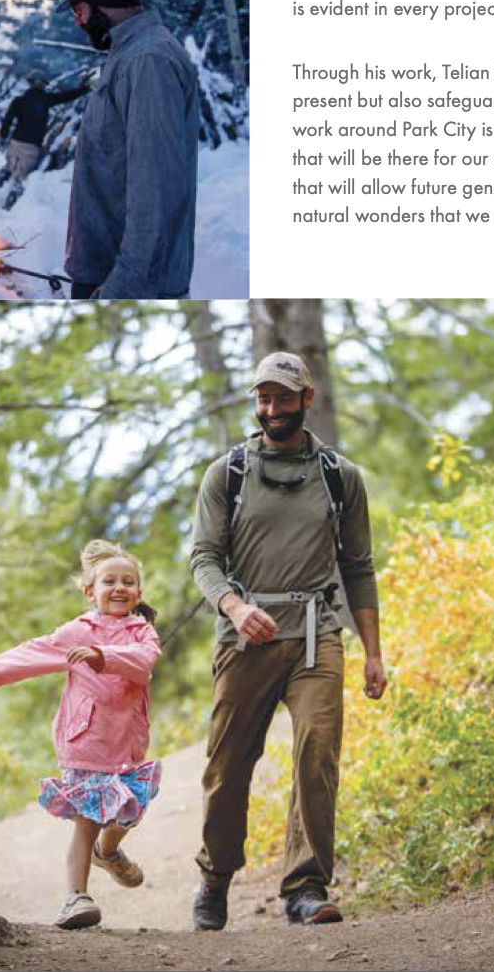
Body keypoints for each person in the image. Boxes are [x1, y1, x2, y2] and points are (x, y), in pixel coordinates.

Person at [186, 352, 391, 930]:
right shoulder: (226, 473)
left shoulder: (339, 476)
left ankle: (305, 885)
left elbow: (360, 567)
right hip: (243, 637)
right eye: (262, 397)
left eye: (282, 396)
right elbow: (203, 558)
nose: (271, 408)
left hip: (317, 635)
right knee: (228, 766)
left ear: (308, 397)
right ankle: (216, 876)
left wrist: (374, 652)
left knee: (316, 753)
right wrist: (233, 604)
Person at [0, 540, 163, 931]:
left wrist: (101, 656)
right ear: (91, 591)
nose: (119, 587)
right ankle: (76, 898)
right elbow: (36, 652)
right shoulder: (77, 630)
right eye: (110, 581)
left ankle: (107, 853)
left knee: (131, 811)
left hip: (127, 744)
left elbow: (144, 665)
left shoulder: (143, 632)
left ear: (139, 593)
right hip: (86, 740)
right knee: (87, 819)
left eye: (128, 581)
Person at [56, 0, 201, 299]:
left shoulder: (147, 62)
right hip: (105, 280)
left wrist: (120, 292)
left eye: (77, 9)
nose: (77, 22)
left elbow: (155, 194)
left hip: (125, 289)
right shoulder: (127, 57)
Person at [0, 73, 92, 205]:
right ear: (41, 85)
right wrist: (85, 89)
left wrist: (3, 136)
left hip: (15, 142)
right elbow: (67, 96)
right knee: (20, 178)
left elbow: (7, 120)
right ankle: (6, 208)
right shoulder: (46, 100)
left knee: (8, 168)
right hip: (31, 147)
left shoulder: (19, 101)